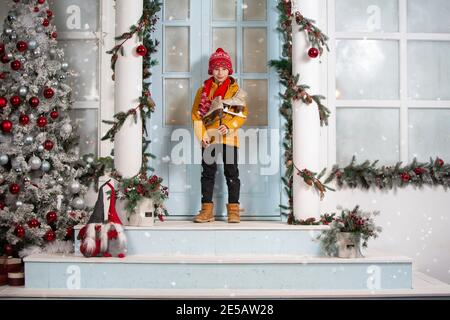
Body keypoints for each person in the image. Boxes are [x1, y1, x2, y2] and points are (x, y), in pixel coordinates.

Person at [191, 48, 248, 223]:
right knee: (207, 173)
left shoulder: (236, 90)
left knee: (232, 173)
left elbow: (243, 113)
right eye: (216, 68)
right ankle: (206, 210)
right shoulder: (203, 91)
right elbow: (196, 115)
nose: (220, 72)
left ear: (229, 70)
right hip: (210, 139)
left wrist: (229, 126)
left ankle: (234, 210)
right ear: (211, 70)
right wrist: (202, 136)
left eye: (224, 68)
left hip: (229, 139)